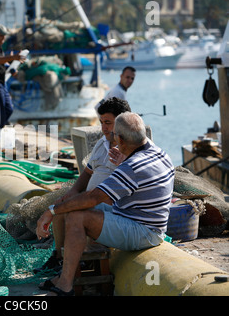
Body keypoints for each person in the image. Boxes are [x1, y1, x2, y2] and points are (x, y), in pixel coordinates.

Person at [36, 112, 175, 296]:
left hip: (145, 231)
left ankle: (65, 284)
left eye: (115, 135)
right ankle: (62, 264)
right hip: (136, 218)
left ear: (122, 140)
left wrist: (50, 211)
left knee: (77, 216)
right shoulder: (158, 153)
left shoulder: (132, 166)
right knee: (70, 206)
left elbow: (94, 198)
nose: (112, 138)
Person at [33, 97, 131, 275]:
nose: (104, 128)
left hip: (113, 206)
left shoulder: (132, 149)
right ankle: (59, 257)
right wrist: (68, 196)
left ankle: (76, 261)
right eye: (101, 122)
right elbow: (85, 177)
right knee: (60, 205)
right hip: (93, 199)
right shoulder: (102, 143)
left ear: (123, 122)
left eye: (108, 123)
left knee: (68, 210)